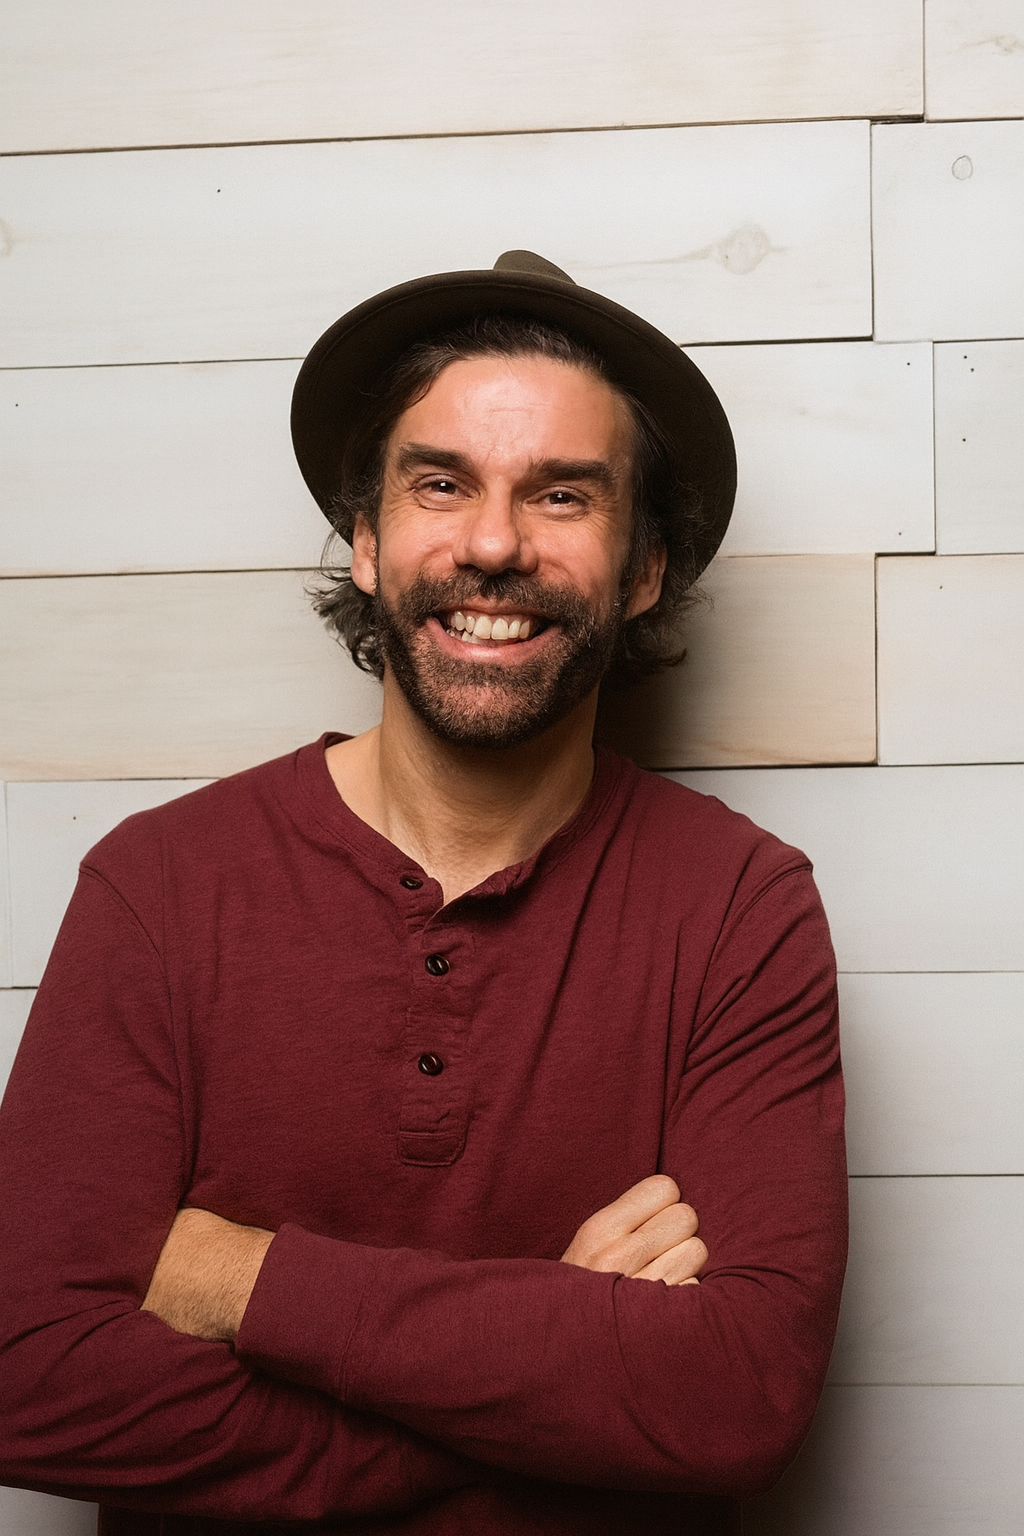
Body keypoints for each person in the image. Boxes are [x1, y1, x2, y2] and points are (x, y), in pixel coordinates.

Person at [0, 251, 847, 1536]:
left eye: (562, 495)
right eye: (440, 484)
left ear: (642, 570)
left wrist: (240, 1277)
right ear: (366, 539)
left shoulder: (742, 908)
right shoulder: (159, 885)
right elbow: (26, 1377)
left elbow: (737, 1399)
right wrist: (551, 1386)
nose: (493, 544)